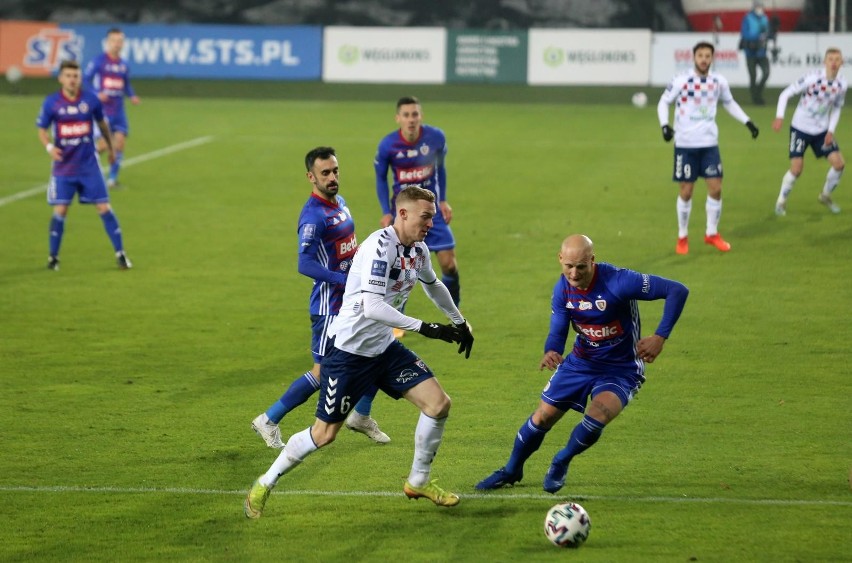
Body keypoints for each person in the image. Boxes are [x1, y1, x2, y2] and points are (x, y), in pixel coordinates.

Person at [244, 186, 474, 518]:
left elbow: (433, 284)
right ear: (404, 214)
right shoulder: (380, 248)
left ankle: (418, 480)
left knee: (438, 405)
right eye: (426, 217)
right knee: (324, 435)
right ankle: (265, 482)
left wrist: (459, 321)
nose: (430, 225)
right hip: (349, 355)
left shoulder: (419, 250)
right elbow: (373, 307)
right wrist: (429, 328)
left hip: (384, 349)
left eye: (433, 218)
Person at [476, 235, 688, 494]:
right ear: (560, 259)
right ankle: (511, 470)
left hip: (621, 369)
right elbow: (558, 328)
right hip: (581, 363)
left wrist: (660, 337)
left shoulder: (620, 281)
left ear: (592, 261)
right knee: (542, 417)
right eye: (568, 266)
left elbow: (677, 290)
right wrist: (551, 350)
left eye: (581, 267)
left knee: (597, 415)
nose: (574, 274)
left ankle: (562, 460)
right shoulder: (562, 288)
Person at [251, 147, 390, 449]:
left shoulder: (340, 202)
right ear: (310, 177)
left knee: (380, 350)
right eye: (325, 173)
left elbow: (347, 248)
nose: (332, 177)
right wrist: (343, 279)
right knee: (323, 371)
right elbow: (305, 263)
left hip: (354, 300)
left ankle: (362, 416)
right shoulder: (313, 216)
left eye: (335, 171)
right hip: (331, 307)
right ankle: (269, 418)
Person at [658, 41, 759, 255]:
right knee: (686, 191)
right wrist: (665, 126)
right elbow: (663, 102)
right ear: (694, 57)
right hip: (685, 145)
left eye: (707, 56)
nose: (704, 59)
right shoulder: (681, 80)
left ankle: (711, 233)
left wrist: (747, 122)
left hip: (709, 144)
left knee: (716, 188)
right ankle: (682, 236)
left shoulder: (718, 81)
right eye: (700, 55)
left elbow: (729, 102)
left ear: (712, 58)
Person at [375, 96, 460, 338]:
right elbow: (380, 178)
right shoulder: (387, 145)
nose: (411, 119)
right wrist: (386, 211)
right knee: (400, 265)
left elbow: (440, 168)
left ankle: (454, 311)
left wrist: (442, 199)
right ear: (398, 118)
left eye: (415, 114)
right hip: (403, 215)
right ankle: (397, 317)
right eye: (406, 115)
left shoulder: (435, 138)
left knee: (448, 264)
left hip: (431, 210)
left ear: (420, 116)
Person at [36, 59, 131, 271]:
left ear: (80, 78)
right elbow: (41, 129)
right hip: (63, 168)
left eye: (76, 76)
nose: (72, 80)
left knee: (104, 207)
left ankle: (121, 254)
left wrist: (112, 149)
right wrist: (49, 147)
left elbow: (103, 124)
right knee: (60, 210)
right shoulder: (51, 103)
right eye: (68, 76)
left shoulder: (91, 100)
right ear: (61, 78)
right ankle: (53, 257)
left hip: (89, 166)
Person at [772, 48, 847, 216]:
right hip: (800, 128)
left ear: (842, 62)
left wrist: (831, 130)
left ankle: (825, 195)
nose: (834, 62)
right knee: (797, 169)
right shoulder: (812, 78)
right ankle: (781, 202)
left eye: (837, 59)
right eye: (830, 59)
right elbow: (785, 94)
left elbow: (836, 108)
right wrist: (779, 117)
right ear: (824, 62)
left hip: (821, 132)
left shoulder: (842, 84)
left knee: (839, 164)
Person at [84, 28, 140, 188]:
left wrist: (133, 96)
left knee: (120, 143)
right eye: (114, 41)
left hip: (119, 110)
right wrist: (97, 93)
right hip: (103, 110)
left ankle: (112, 180)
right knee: (104, 145)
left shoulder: (124, 65)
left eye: (120, 41)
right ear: (108, 42)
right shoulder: (98, 61)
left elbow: (126, 85)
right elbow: (85, 80)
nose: (117, 44)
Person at [740, 1, 771, 105]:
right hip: (750, 52)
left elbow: (768, 32)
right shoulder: (747, 18)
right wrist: (758, 37)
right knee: (753, 76)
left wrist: (768, 35)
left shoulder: (765, 18)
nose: (759, 8)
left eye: (761, 6)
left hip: (761, 52)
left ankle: (758, 92)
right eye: (758, 7)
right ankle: (756, 99)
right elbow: (745, 34)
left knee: (766, 73)